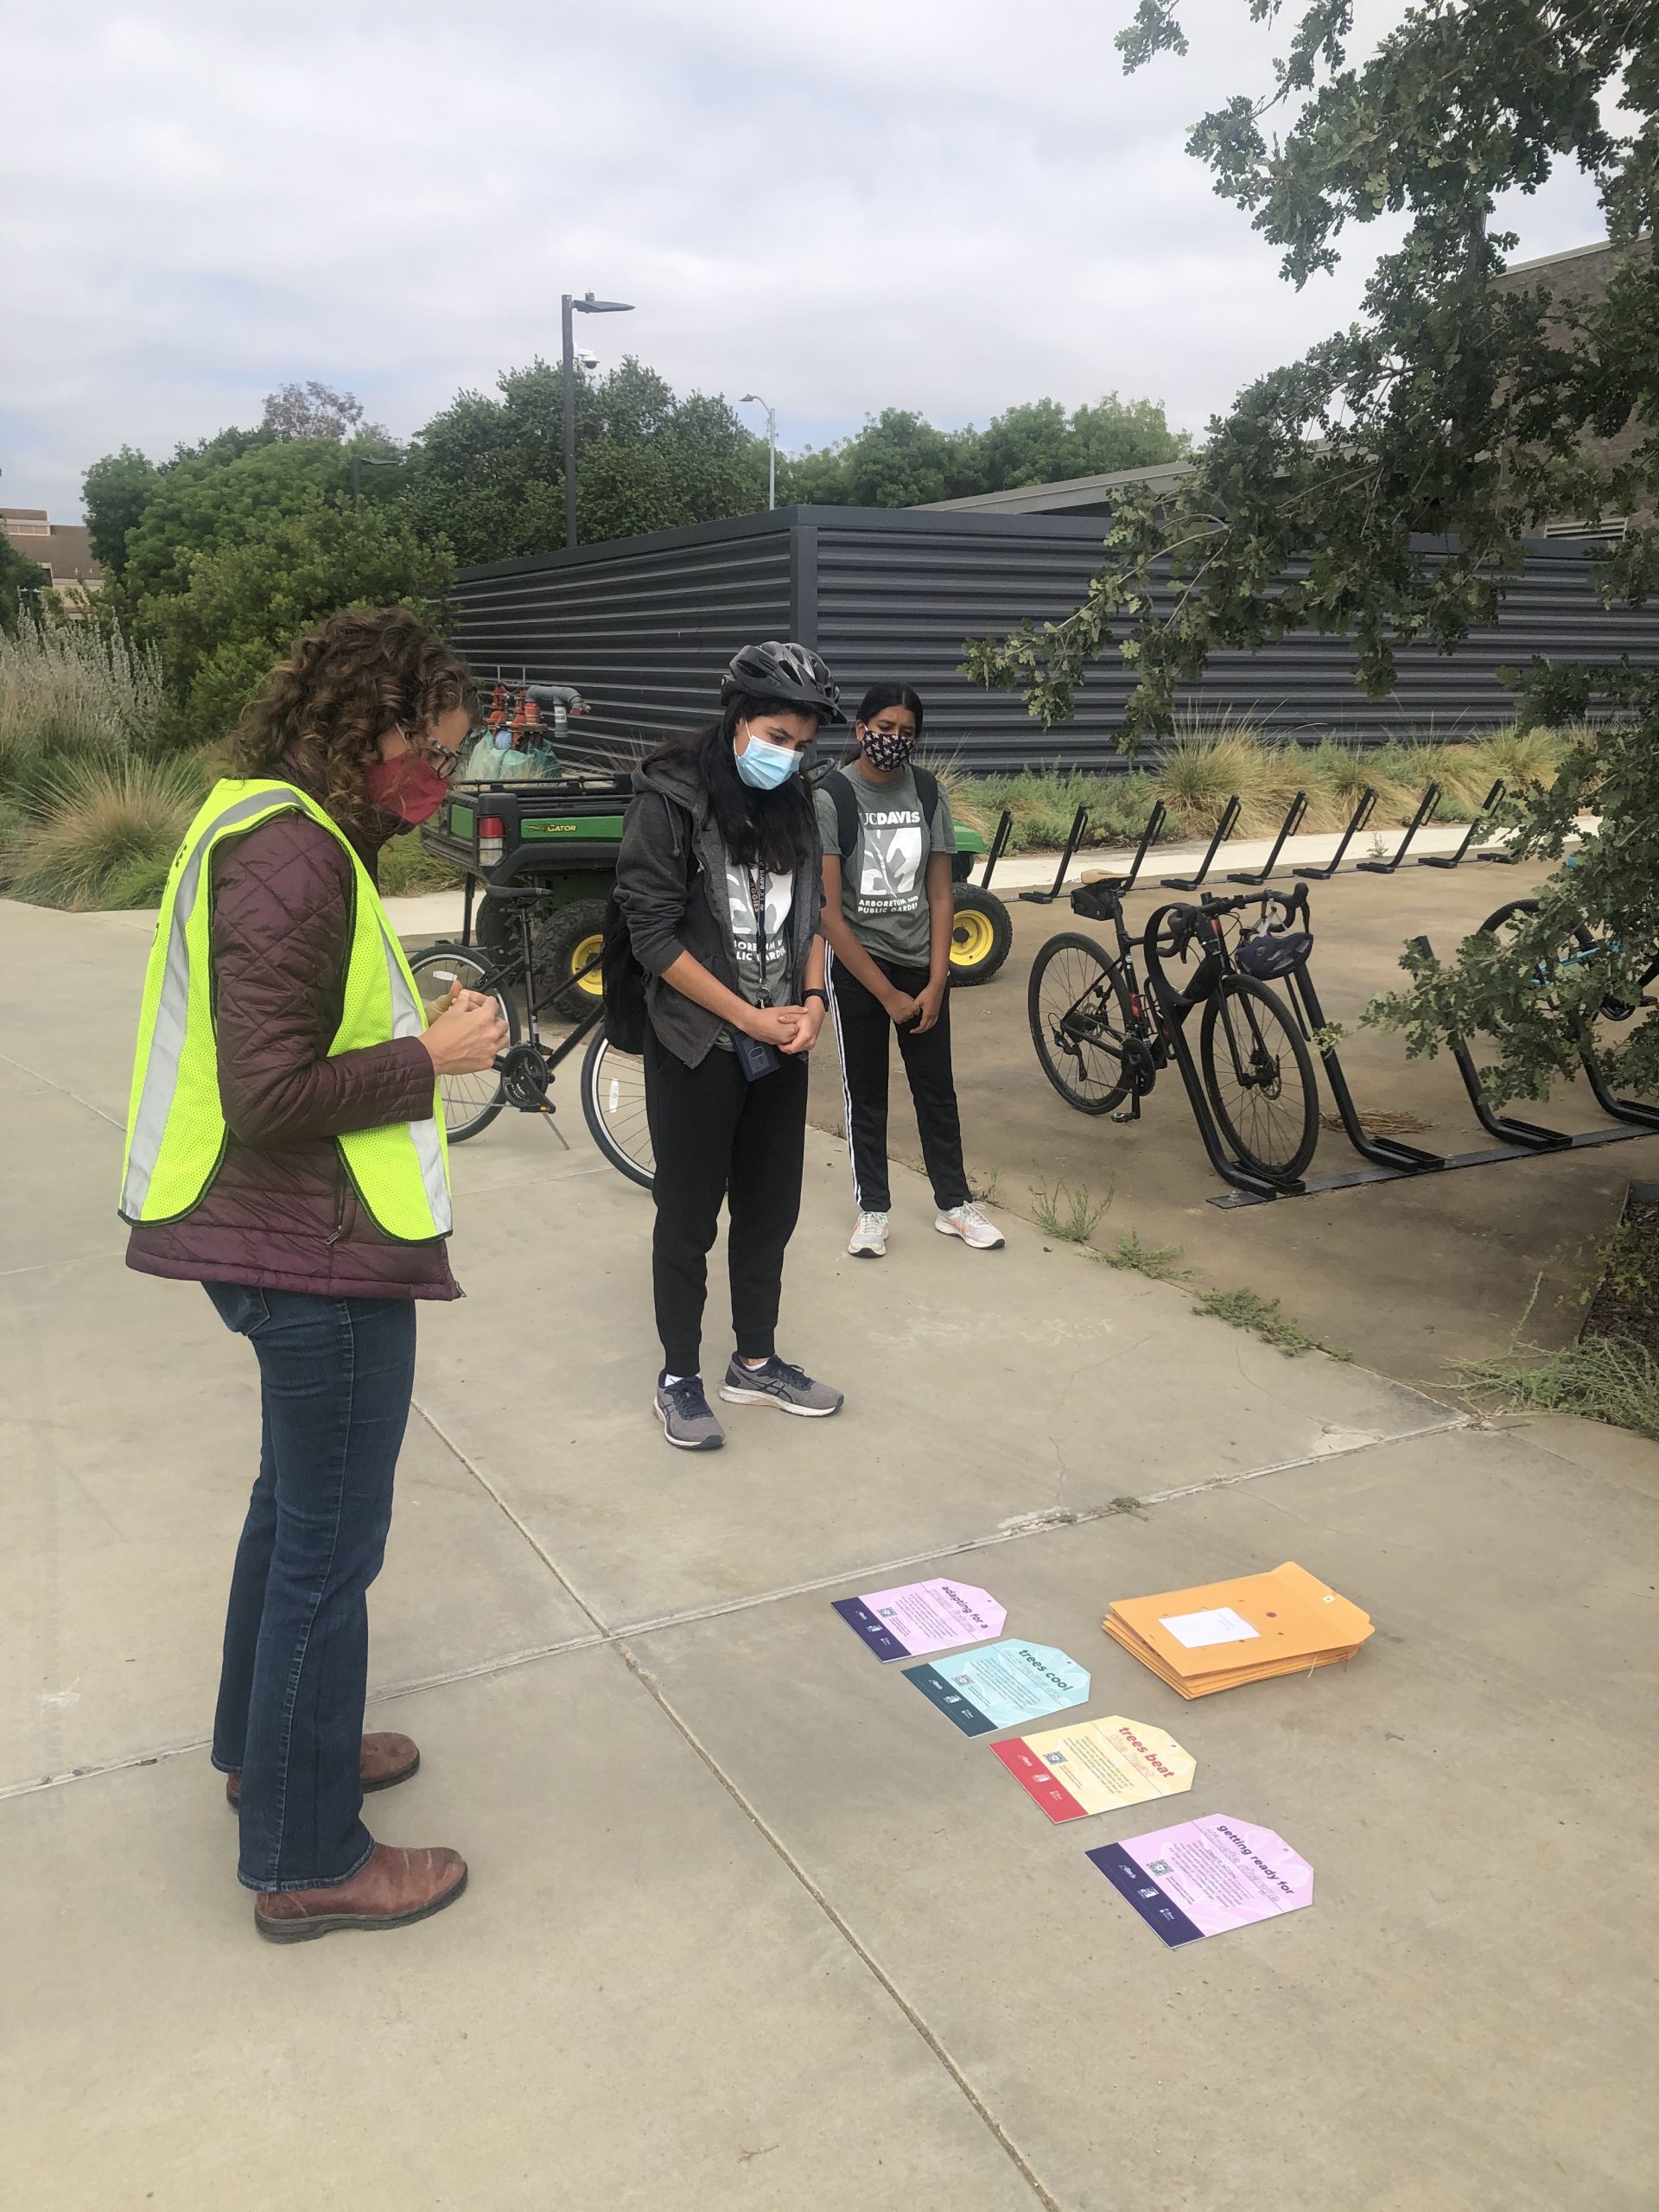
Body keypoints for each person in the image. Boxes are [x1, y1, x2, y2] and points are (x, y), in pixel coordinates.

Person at [120, 607, 508, 1942]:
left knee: (292, 1519)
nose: (442, 784)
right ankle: (306, 1858)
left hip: (292, 1242)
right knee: (327, 1555)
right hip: (313, 1256)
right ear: (375, 730)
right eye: (437, 755)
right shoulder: (292, 854)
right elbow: (271, 1090)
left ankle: (269, 1756)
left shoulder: (280, 827)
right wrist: (437, 1060)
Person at [615, 640, 845, 1450]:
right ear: (739, 721)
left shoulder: (800, 804)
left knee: (769, 1211)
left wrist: (811, 1001)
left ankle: (755, 1362)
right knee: (687, 1216)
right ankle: (678, 1377)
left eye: (803, 743)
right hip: (698, 1042)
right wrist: (745, 1019)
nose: (791, 755)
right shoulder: (670, 800)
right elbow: (652, 935)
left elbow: (813, 917)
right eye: (778, 737)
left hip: (782, 1038)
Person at [817, 682, 1003, 1258]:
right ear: (860, 729)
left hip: (920, 963)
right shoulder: (831, 798)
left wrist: (937, 978)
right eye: (884, 727)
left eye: (906, 732)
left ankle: (954, 1204)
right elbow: (827, 913)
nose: (893, 740)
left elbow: (943, 893)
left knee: (936, 1090)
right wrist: (888, 995)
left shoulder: (928, 792)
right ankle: (874, 1210)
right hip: (859, 968)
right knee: (867, 1093)